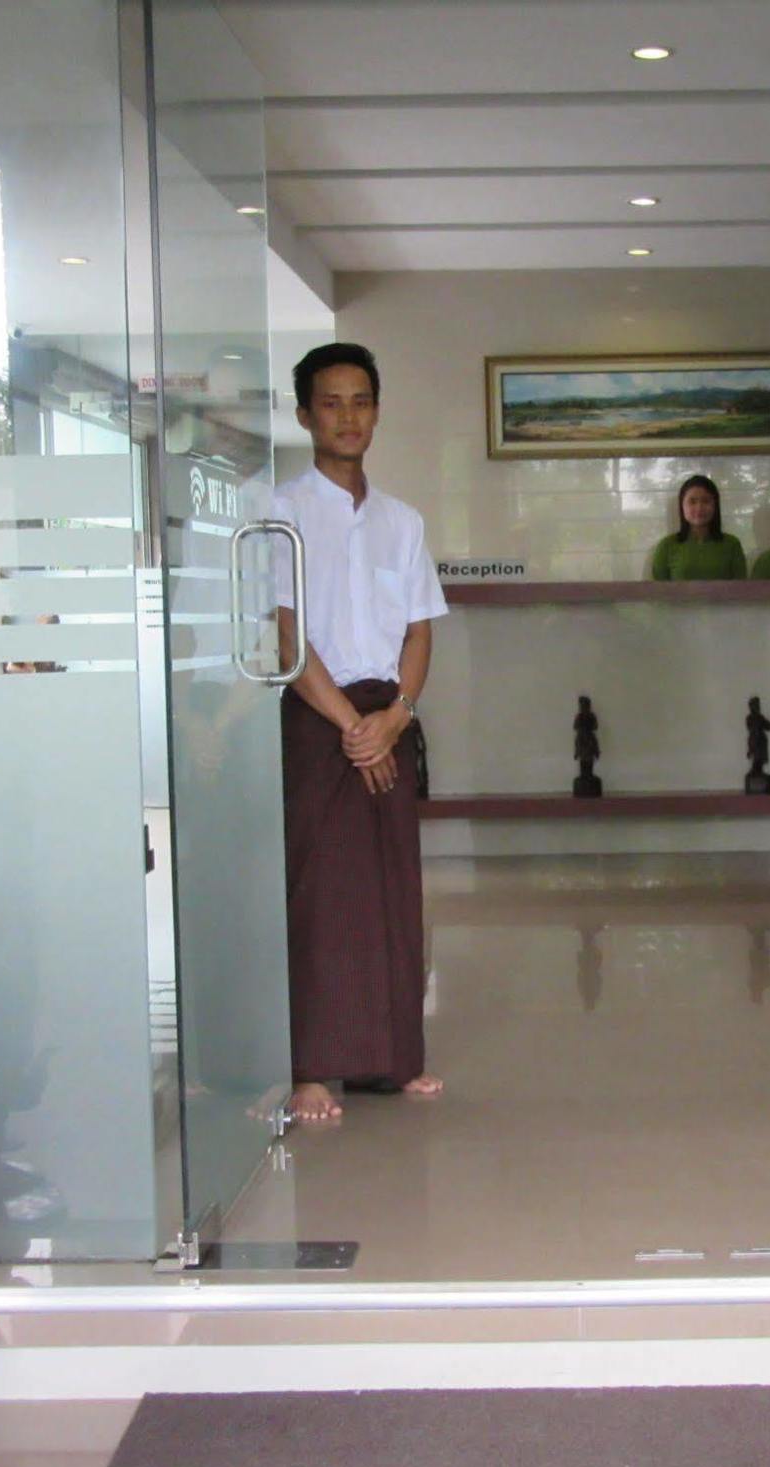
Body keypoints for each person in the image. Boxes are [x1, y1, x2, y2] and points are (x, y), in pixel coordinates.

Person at [258, 342, 447, 1123]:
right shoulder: (280, 511)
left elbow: (421, 630)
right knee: (320, 893)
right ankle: (312, 1066)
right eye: (330, 403)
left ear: (377, 409)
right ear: (304, 414)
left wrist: (395, 717)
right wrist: (350, 727)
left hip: (386, 716)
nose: (348, 417)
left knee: (391, 889)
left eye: (361, 401)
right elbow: (283, 638)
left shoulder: (402, 520)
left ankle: (388, 1060)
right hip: (316, 717)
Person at [649, 474, 748, 580]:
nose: (699, 508)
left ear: (715, 506)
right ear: (682, 506)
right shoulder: (666, 546)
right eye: (692, 502)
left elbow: (741, 591)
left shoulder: (732, 544)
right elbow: (658, 593)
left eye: (706, 501)